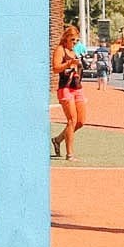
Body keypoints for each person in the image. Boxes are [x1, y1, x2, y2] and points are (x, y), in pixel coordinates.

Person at [52, 30, 86, 160]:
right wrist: (68, 63)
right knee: (72, 120)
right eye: (72, 40)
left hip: (77, 87)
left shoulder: (75, 51)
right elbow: (55, 68)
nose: (75, 43)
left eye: (77, 40)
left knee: (81, 121)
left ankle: (58, 139)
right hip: (65, 88)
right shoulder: (61, 50)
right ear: (66, 38)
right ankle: (69, 153)